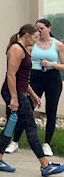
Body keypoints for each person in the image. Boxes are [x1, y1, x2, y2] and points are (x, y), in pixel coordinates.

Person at [0, 24, 64, 176]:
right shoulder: (16, 49)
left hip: (20, 92)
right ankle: (45, 165)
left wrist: (33, 94)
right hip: (13, 93)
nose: (36, 40)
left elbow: (22, 78)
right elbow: (11, 75)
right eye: (35, 37)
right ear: (27, 35)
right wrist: (14, 98)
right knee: (30, 126)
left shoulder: (24, 49)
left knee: (11, 125)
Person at [16, 18, 64, 157]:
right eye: (37, 29)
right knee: (27, 108)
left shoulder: (58, 45)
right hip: (35, 76)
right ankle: (15, 141)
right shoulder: (32, 44)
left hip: (52, 77)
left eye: (42, 28)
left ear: (49, 28)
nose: (39, 32)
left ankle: (47, 143)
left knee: (51, 110)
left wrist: (51, 64)